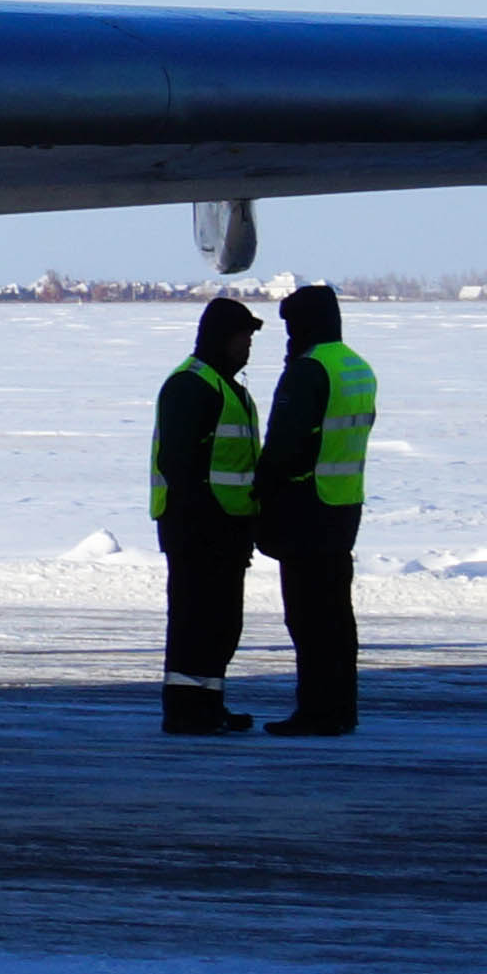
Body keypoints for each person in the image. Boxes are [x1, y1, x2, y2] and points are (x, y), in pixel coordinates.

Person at [252, 281, 376, 736]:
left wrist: (263, 491)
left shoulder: (309, 371)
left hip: (307, 507)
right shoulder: (356, 367)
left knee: (308, 617)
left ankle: (317, 711)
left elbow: (286, 443)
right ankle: (341, 708)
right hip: (344, 506)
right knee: (337, 616)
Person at [146, 294, 262, 735]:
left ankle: (209, 704)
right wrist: (203, 518)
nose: (246, 347)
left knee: (222, 622)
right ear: (218, 338)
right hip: (197, 527)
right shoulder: (190, 385)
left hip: (228, 527)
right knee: (195, 620)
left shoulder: (228, 387)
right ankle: (184, 710)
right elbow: (178, 462)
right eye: (241, 338)